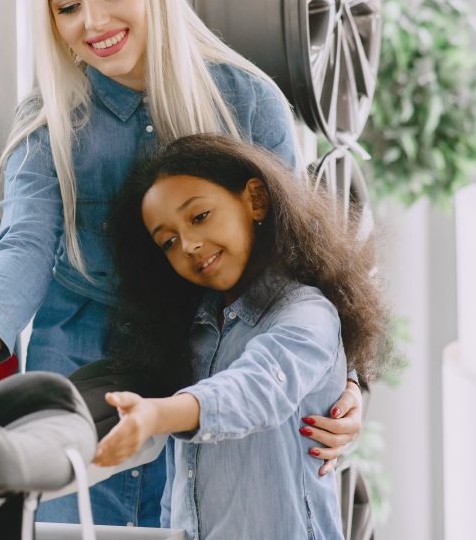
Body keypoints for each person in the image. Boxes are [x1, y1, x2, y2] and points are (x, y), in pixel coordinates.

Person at [0, 0, 364, 526]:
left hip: (207, 368)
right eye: (67, 5)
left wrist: (347, 383)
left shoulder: (247, 100)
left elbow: (296, 262)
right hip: (77, 369)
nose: (94, 21)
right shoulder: (46, 127)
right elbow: (23, 242)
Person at [95, 133, 394, 538]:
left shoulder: (307, 314)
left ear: (255, 200)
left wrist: (158, 414)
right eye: (168, 241)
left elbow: (255, 390)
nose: (190, 244)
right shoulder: (193, 332)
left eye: (199, 216)